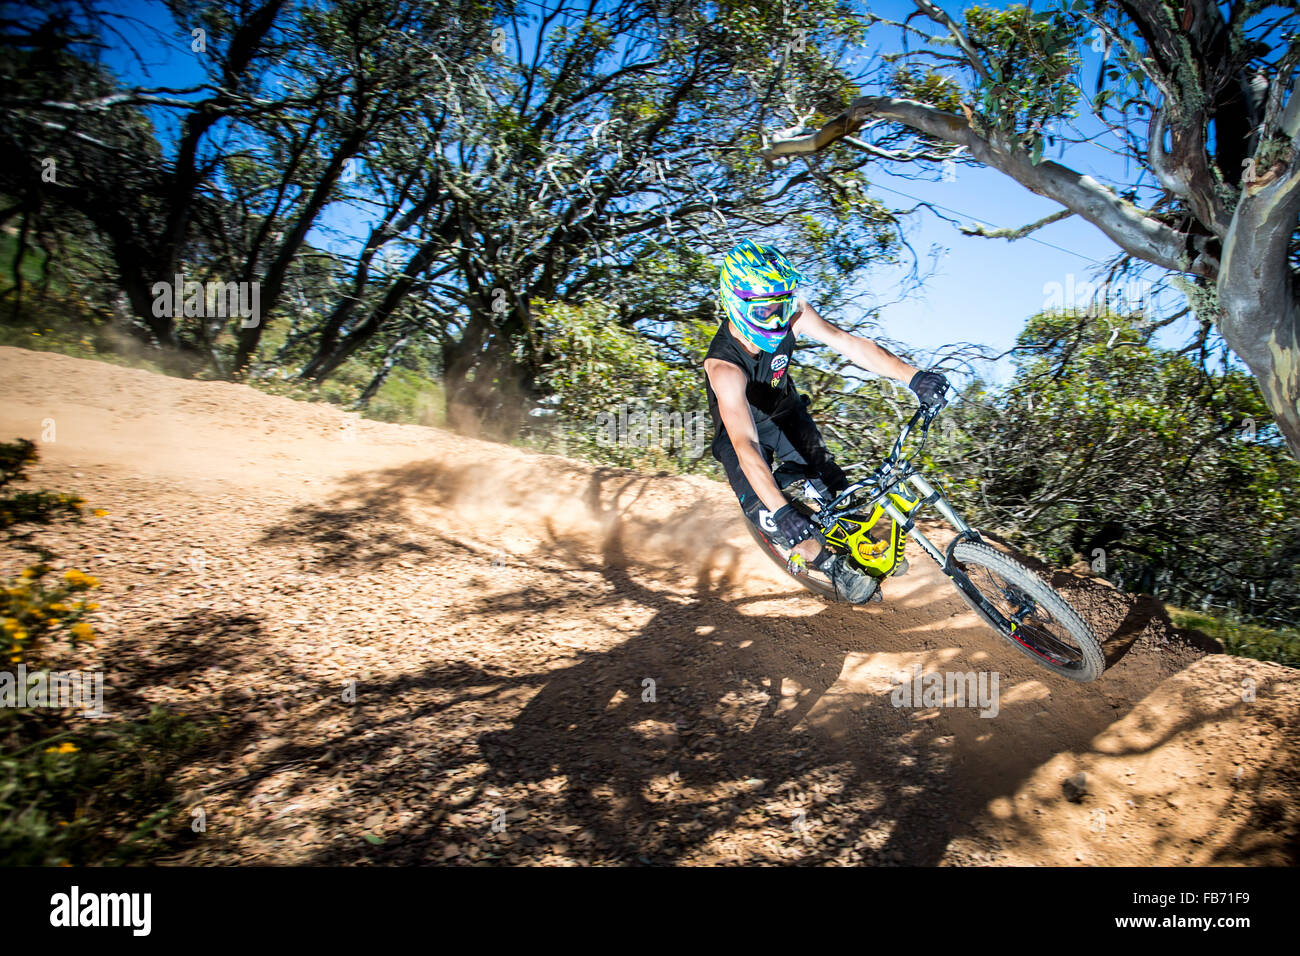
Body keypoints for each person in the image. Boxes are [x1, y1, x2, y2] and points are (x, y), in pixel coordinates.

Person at [704, 238, 949, 603]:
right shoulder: (724, 367)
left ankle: (857, 541)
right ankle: (832, 568)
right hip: (743, 431)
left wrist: (912, 376)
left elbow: (849, 344)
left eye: (782, 306)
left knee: (831, 479)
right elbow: (746, 445)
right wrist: (784, 510)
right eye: (764, 311)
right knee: (769, 512)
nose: (777, 318)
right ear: (735, 305)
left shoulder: (796, 315)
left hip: (784, 409)